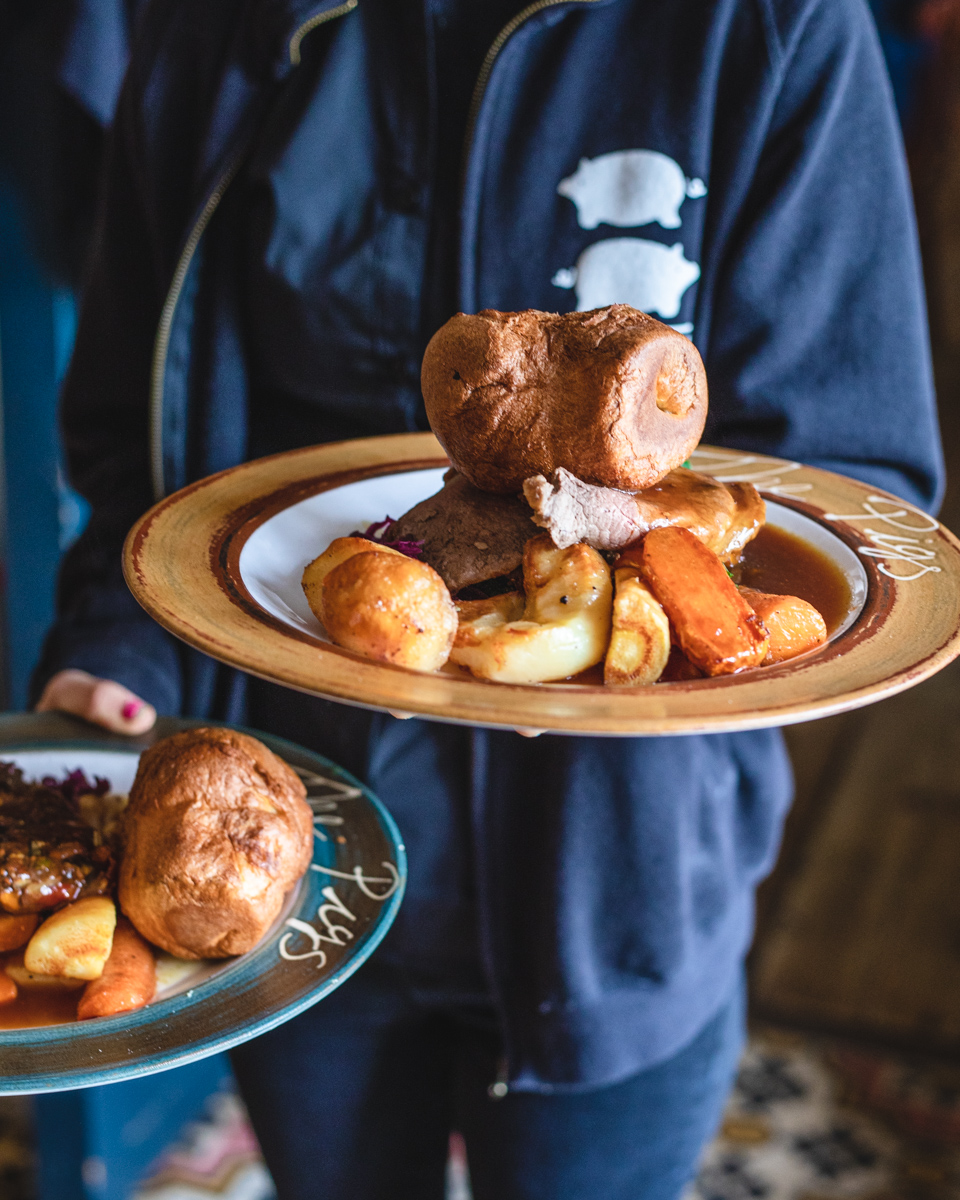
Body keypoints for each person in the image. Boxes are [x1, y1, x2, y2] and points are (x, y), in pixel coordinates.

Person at [32, 1, 943, 1197]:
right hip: (297, 844)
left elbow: (857, 480)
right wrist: (119, 644)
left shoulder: (765, 26)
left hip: (628, 877)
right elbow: (136, 429)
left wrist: (641, 621)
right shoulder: (221, 23)